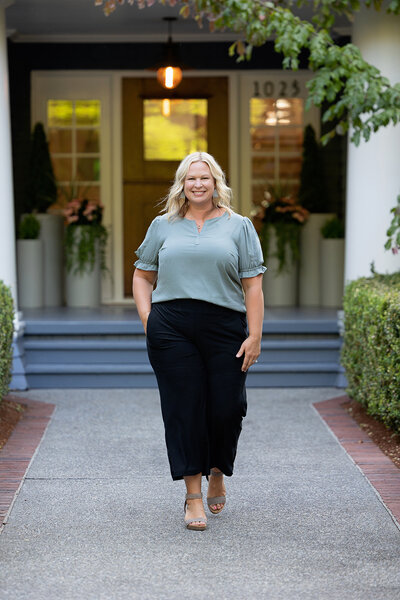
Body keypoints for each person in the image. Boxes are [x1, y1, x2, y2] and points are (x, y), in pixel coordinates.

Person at [132, 152, 266, 531]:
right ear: (182, 183)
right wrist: (148, 319)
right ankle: (193, 495)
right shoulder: (163, 225)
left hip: (225, 324)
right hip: (171, 326)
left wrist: (254, 335)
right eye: (191, 179)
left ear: (216, 182)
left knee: (226, 407)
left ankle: (217, 469)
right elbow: (142, 277)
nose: (198, 184)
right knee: (183, 408)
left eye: (204, 178)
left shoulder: (239, 226)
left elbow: (252, 286)